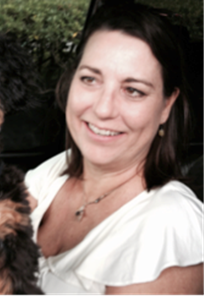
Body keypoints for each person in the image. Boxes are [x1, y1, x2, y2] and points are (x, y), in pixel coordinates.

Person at [25, 3, 204, 294]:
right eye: (90, 79)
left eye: (133, 90)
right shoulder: (54, 170)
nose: (103, 108)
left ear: (166, 105)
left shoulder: (170, 226)